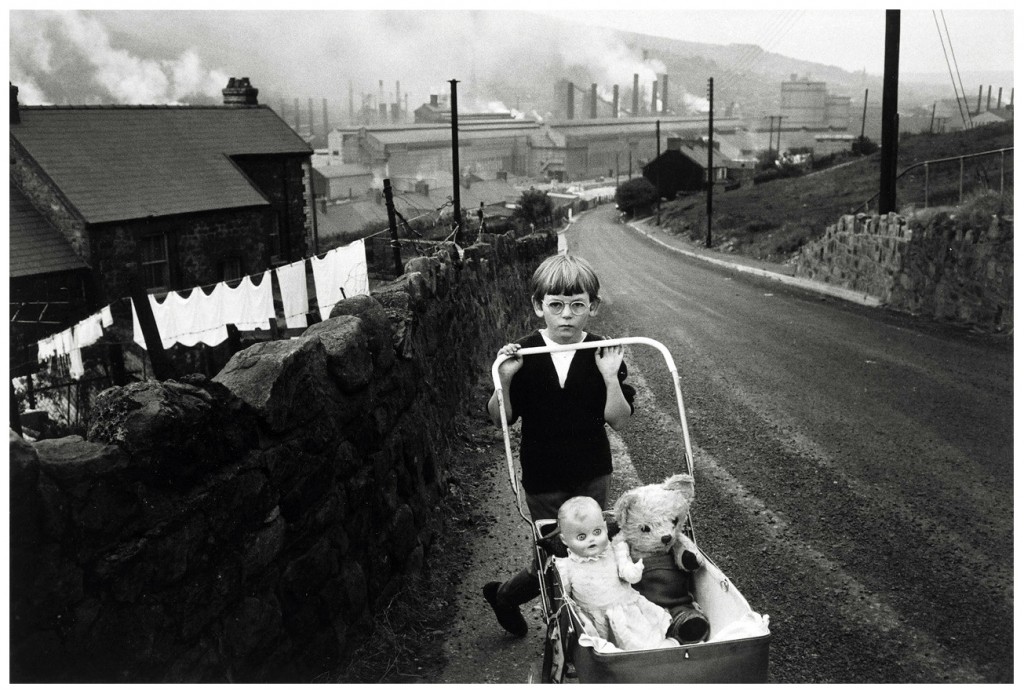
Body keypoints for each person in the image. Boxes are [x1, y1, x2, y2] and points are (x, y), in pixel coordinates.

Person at [483, 254, 635, 637]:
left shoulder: (604, 352)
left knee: (595, 550)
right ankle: (510, 598)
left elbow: (618, 419)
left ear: (592, 307)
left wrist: (609, 378)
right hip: (544, 475)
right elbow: (500, 417)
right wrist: (505, 378)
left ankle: (592, 627)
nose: (566, 315)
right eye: (555, 305)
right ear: (539, 307)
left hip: (593, 472)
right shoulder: (523, 353)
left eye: (577, 305)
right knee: (555, 555)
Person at [553, 497, 675, 651]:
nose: (591, 539)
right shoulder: (567, 567)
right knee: (601, 649)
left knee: (643, 639)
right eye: (581, 537)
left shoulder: (616, 550)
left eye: (597, 532)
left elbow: (630, 575)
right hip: (595, 618)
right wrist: (581, 620)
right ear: (565, 540)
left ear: (605, 527)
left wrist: (633, 570)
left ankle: (661, 648)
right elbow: (567, 599)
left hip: (625, 611)